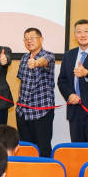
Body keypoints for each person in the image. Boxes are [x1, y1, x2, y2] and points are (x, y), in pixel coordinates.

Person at [16, 27, 56, 157]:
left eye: (32, 38)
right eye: (26, 39)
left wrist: (36, 63)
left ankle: (45, 170)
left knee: (43, 148)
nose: (29, 41)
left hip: (41, 112)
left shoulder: (49, 55)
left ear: (41, 39)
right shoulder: (24, 58)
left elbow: (44, 62)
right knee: (26, 149)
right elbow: (21, 81)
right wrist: (19, 100)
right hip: (23, 112)